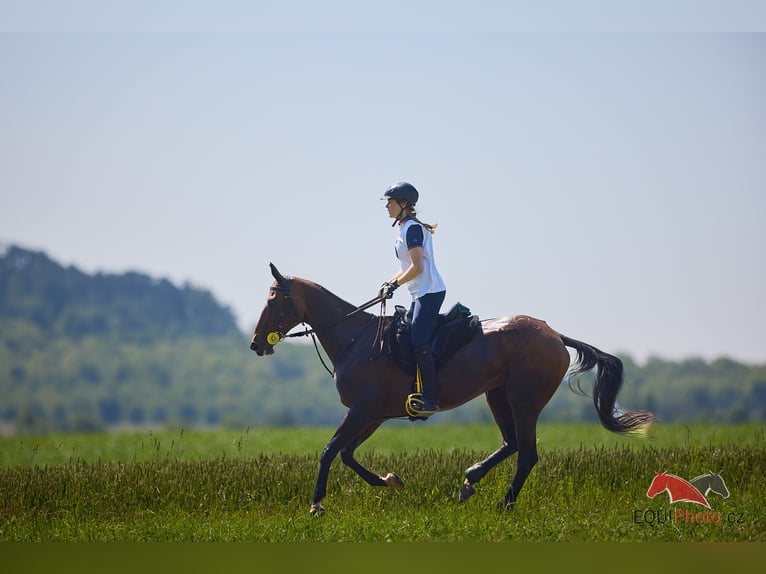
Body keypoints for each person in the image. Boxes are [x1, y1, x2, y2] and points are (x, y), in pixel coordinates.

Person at [380, 182, 446, 415]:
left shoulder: (413, 229)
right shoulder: (404, 228)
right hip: (419, 292)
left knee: (419, 342)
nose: (387, 205)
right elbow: (407, 266)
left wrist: (396, 284)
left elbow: (417, 267)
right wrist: (390, 283)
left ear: (404, 204)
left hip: (430, 292)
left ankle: (431, 398)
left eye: (390, 201)